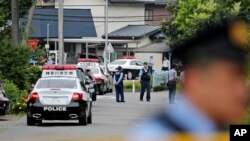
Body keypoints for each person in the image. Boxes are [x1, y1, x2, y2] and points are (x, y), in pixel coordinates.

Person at [130, 18, 249, 140]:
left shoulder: (223, 131)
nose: (243, 91)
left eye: (243, 78)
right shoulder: (158, 135)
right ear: (195, 80)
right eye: (232, 78)